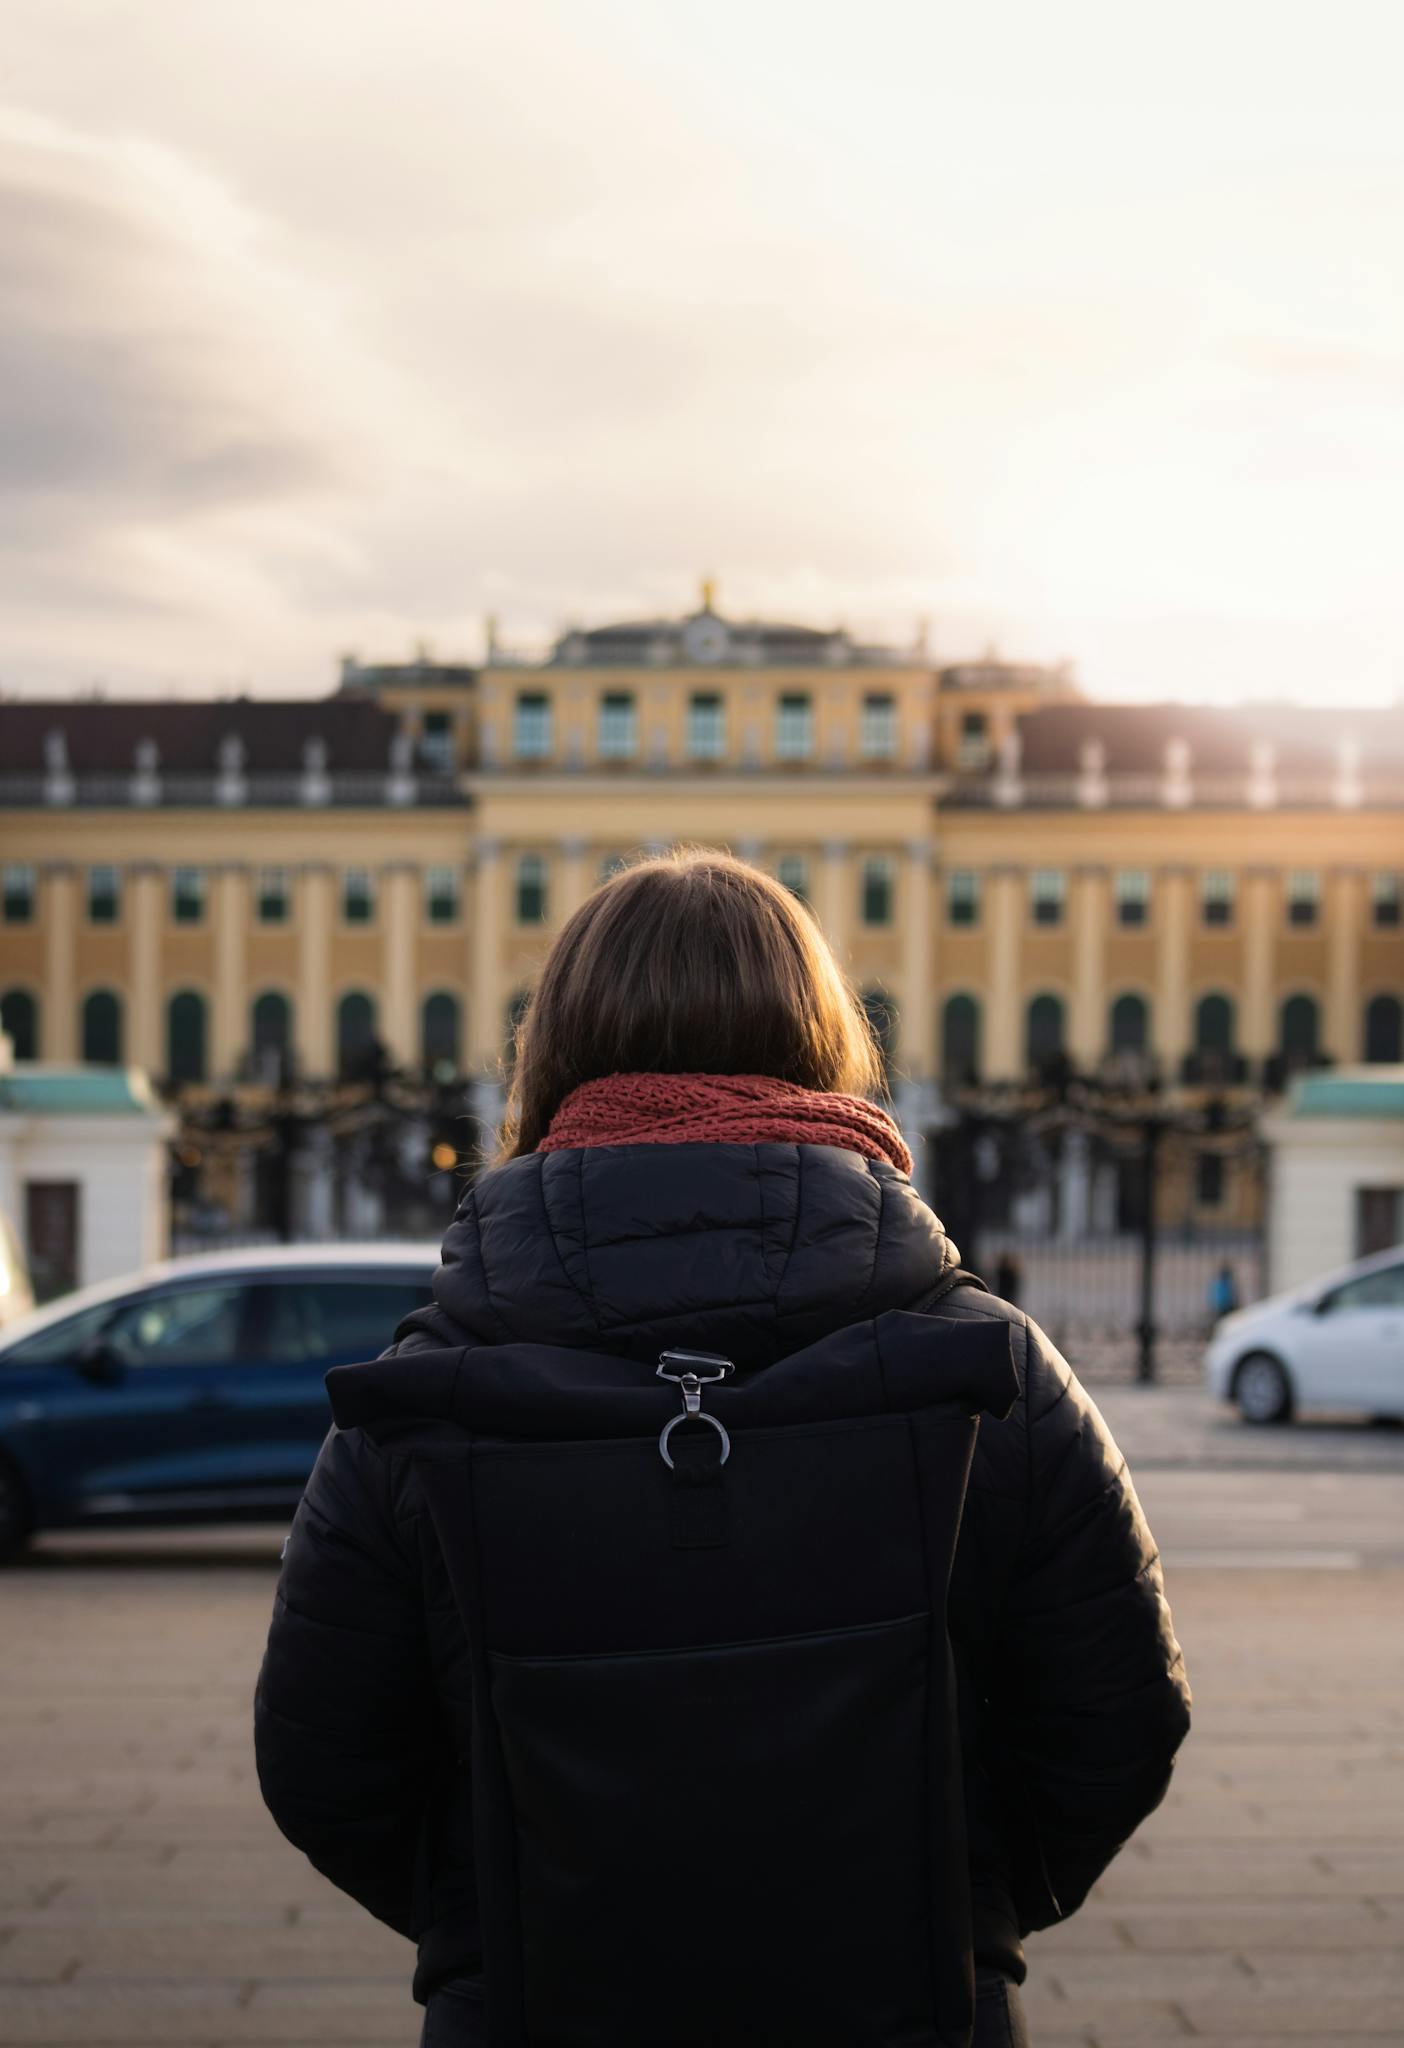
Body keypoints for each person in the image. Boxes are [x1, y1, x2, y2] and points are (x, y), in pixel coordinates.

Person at [255, 849, 1191, 2047]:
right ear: (822, 1038)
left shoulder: (422, 1389)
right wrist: (960, 1902)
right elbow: (1114, 1723)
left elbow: (324, 1758)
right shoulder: (993, 1366)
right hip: (911, 2004)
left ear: (554, 1048)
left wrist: (500, 1917)